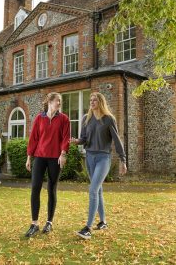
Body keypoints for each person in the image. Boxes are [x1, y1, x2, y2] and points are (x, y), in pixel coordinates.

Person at [70, 92, 127, 240]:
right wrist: (77, 141)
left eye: (95, 100)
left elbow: (117, 140)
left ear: (101, 102)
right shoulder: (86, 119)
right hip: (89, 157)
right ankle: (103, 222)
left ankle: (88, 228)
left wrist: (123, 159)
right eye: (91, 100)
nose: (92, 102)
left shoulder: (108, 119)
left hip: (103, 158)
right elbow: (84, 139)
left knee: (93, 190)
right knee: (98, 190)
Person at [24, 92, 70, 237]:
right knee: (35, 187)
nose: (59, 103)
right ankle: (34, 223)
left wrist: (63, 154)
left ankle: (49, 222)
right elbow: (33, 138)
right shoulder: (39, 118)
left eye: (60, 101)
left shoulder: (64, 119)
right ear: (50, 101)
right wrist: (28, 157)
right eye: (58, 100)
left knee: (51, 188)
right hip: (39, 157)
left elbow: (65, 138)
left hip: (54, 159)